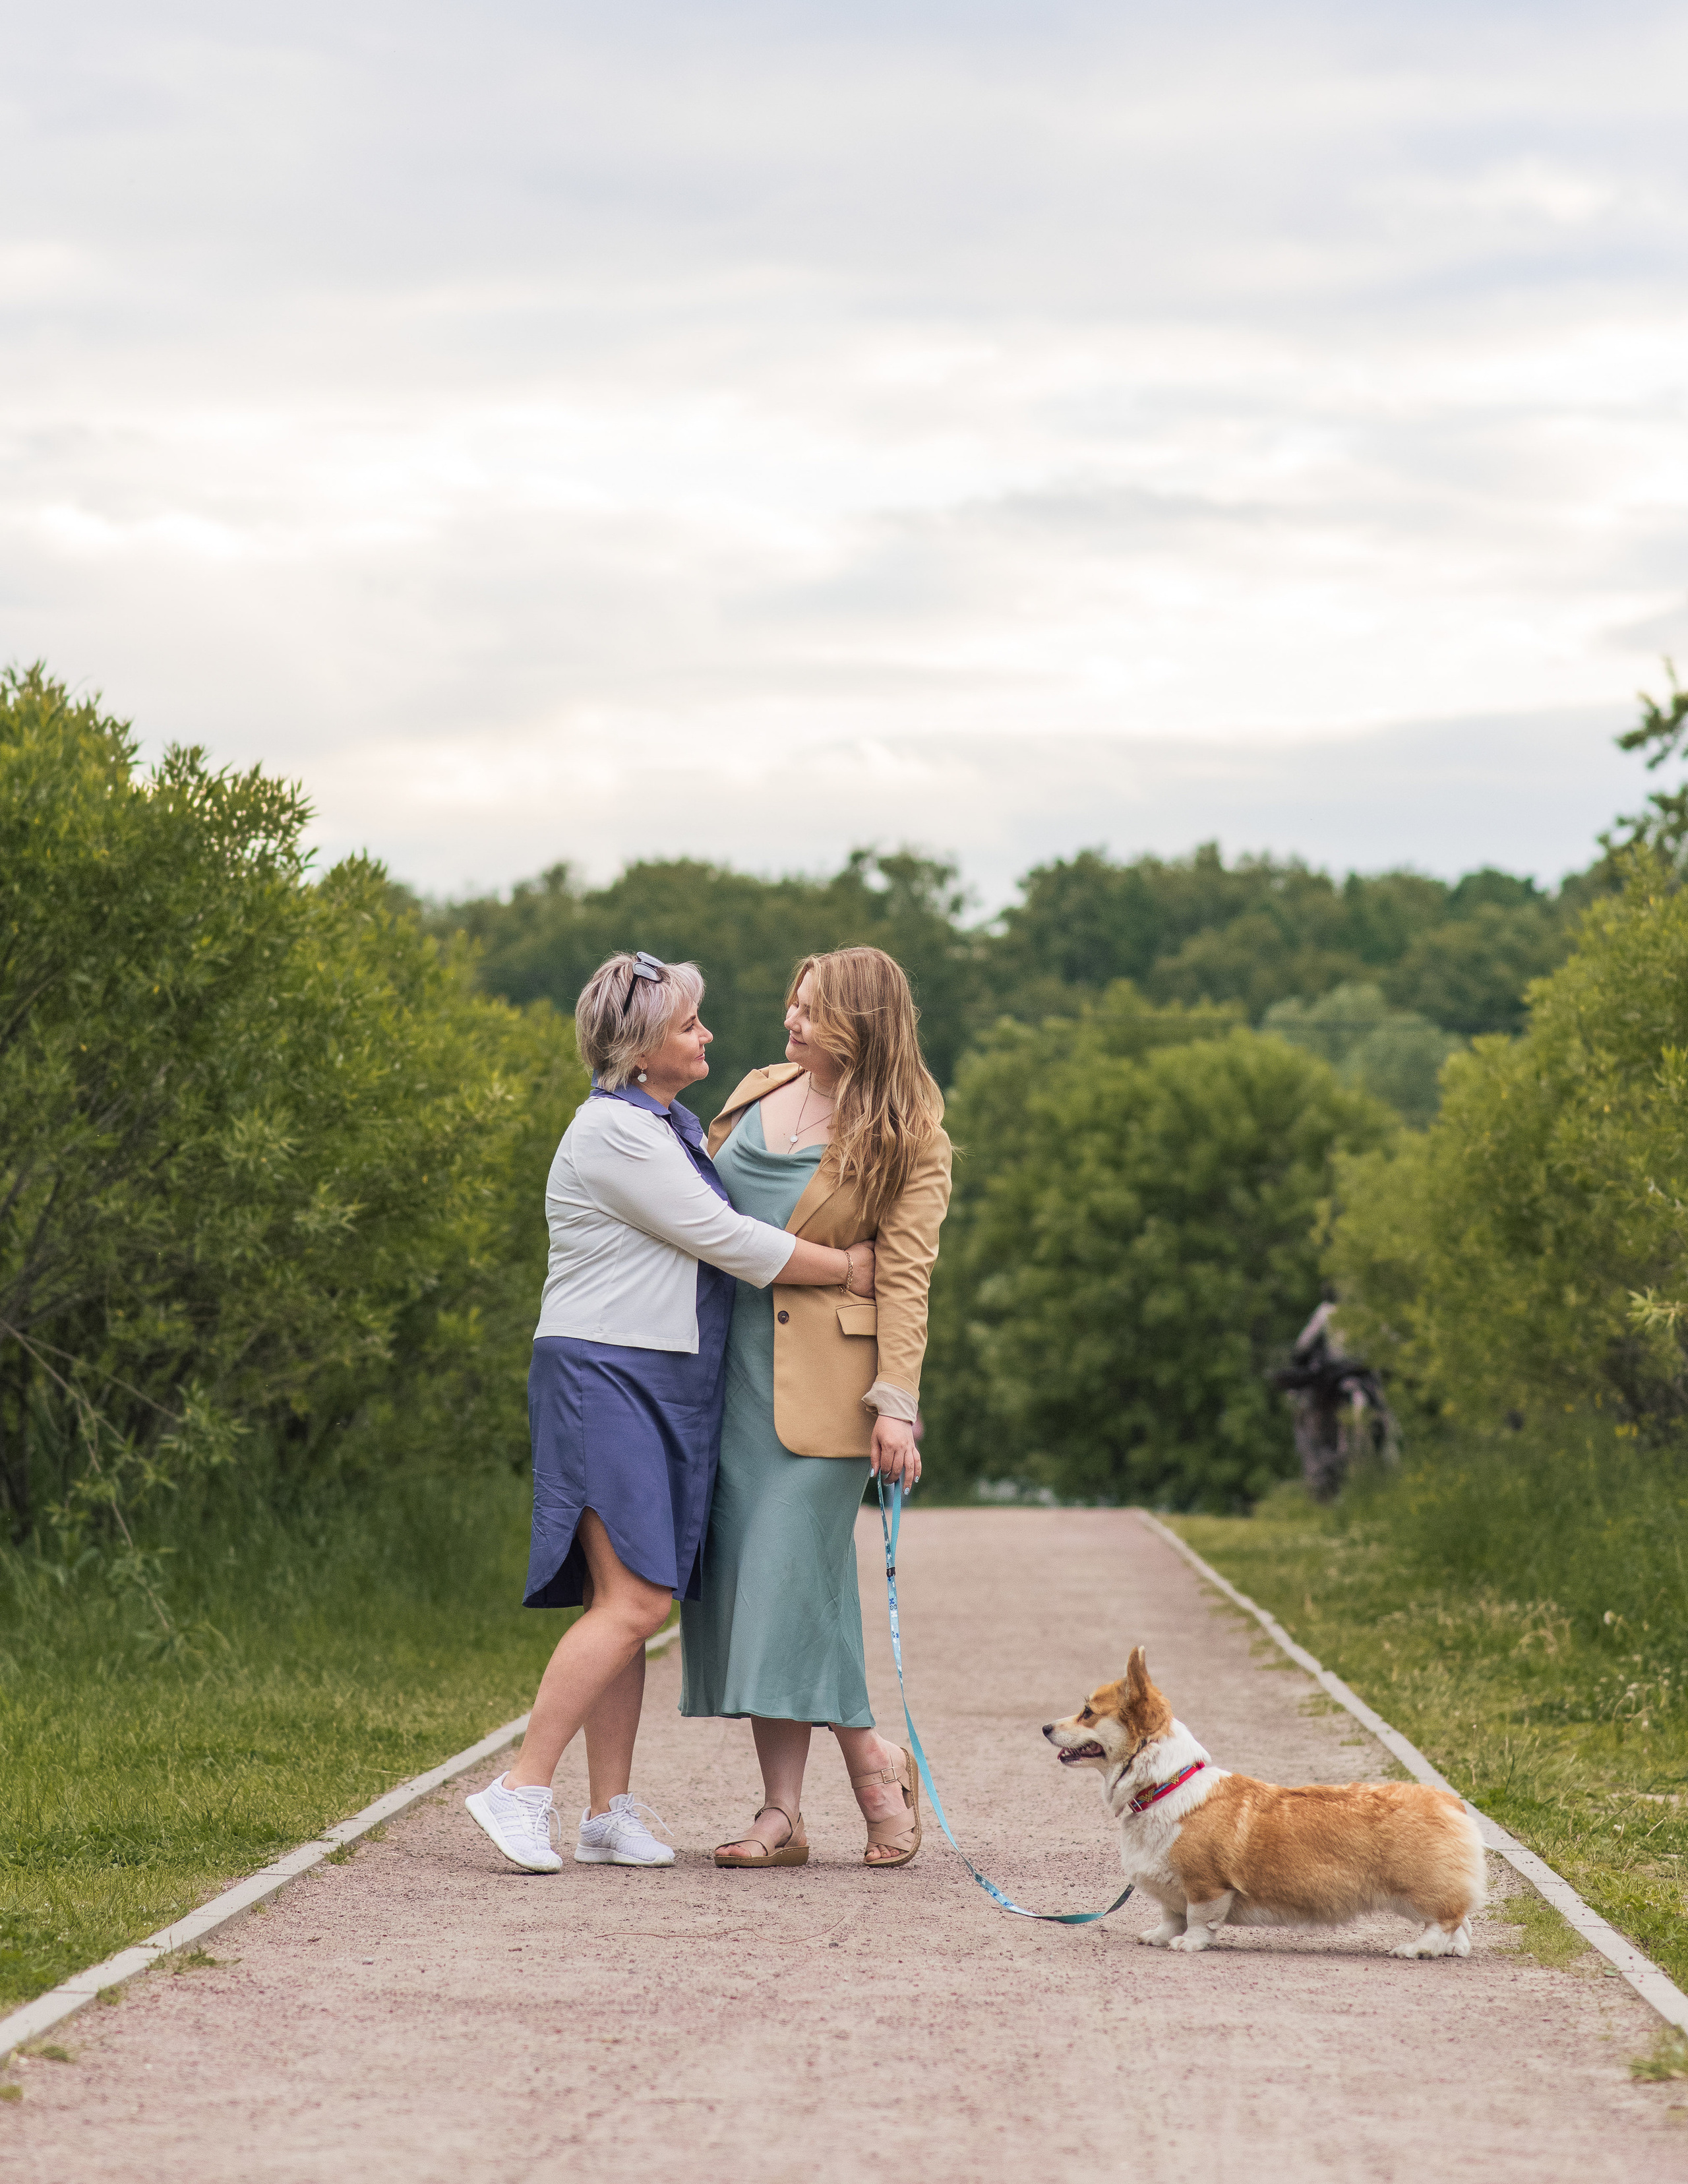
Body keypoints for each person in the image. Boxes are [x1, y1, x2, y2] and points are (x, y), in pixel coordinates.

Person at [465, 951, 876, 1874]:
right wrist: (849, 1268)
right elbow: (726, 1239)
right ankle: (522, 1786)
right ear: (645, 1047)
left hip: (651, 1377)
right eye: (691, 1026)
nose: (709, 1038)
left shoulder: (665, 1124)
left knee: (628, 1600)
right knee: (639, 1597)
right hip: (604, 1373)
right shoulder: (618, 1133)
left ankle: (607, 1810)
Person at [680, 945, 951, 1869]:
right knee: (782, 1590)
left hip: (829, 1395)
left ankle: (833, 1791)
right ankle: (812, 1800)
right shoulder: (759, 1090)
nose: (789, 1022)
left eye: (810, 1012)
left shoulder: (911, 1133)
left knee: (789, 1578)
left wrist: (897, 1408)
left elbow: (907, 1280)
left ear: (861, 1027)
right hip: (727, 1374)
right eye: (793, 1005)